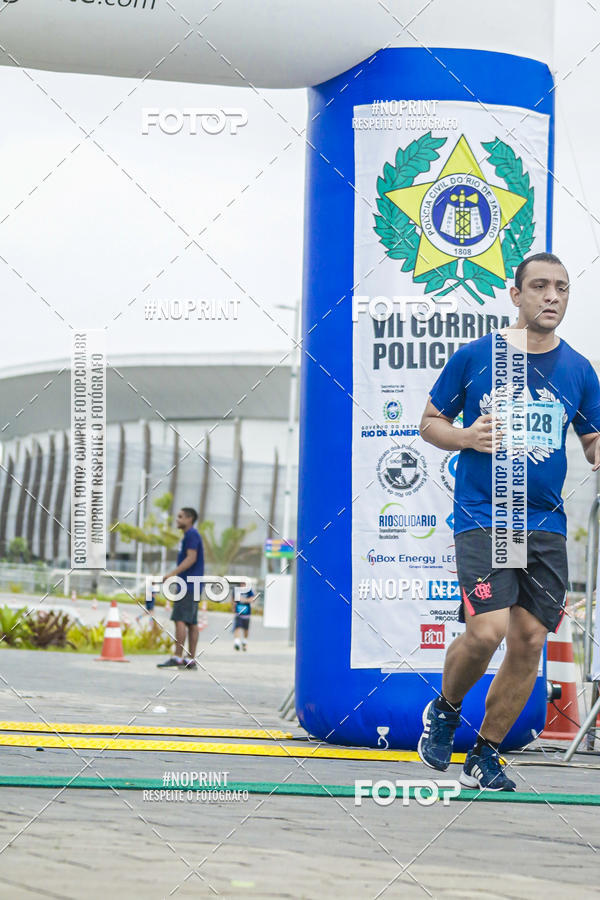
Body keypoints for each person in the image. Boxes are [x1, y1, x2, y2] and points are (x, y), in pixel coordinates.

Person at [417, 252, 600, 790]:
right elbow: (430, 422)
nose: (551, 296)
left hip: (544, 523)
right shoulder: (477, 356)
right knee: (488, 629)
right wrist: (466, 437)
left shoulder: (580, 369)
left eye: (561, 288)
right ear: (515, 294)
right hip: (485, 512)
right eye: (539, 286)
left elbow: (591, 437)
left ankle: (486, 752)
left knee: (529, 638)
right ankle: (446, 709)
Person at [157, 507, 204, 670]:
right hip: (193, 584)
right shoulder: (190, 535)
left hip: (187, 584)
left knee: (180, 620)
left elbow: (192, 558)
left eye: (180, 517)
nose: (177, 520)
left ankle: (177, 657)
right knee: (192, 622)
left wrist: (172, 574)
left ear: (189, 519)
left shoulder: (191, 535)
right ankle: (190, 660)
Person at [232, 584, 254, 651]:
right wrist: (233, 607)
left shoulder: (249, 590)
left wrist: (244, 600)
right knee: (237, 627)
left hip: (246, 614)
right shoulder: (236, 590)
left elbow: (252, 599)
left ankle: (244, 642)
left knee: (246, 629)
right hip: (238, 613)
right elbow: (233, 599)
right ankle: (237, 642)